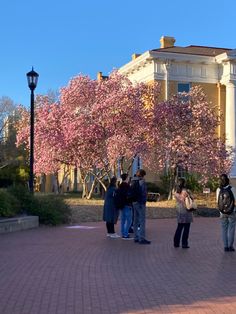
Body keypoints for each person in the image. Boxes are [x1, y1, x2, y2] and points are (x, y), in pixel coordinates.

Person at [216, 174, 236, 252]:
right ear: (228, 180)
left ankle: (225, 246)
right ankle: (230, 246)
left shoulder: (218, 189)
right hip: (232, 211)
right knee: (231, 229)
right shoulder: (232, 189)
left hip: (222, 212)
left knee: (224, 229)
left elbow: (217, 202)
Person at [131, 169, 151, 244]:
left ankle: (136, 237)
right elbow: (143, 193)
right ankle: (141, 238)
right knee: (142, 220)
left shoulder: (133, 181)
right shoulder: (142, 182)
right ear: (142, 175)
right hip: (140, 202)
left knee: (135, 220)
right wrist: (144, 201)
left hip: (134, 201)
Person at [173, 178, 193, 249]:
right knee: (186, 228)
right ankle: (184, 243)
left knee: (179, 227)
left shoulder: (175, 192)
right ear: (184, 183)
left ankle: (176, 243)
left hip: (179, 210)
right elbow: (192, 198)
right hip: (186, 210)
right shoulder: (186, 191)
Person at [118, 173, 133, 239]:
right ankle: (126, 233)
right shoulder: (127, 186)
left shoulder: (120, 186)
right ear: (126, 178)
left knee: (123, 220)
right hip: (127, 204)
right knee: (129, 220)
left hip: (121, 205)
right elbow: (129, 195)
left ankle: (123, 233)